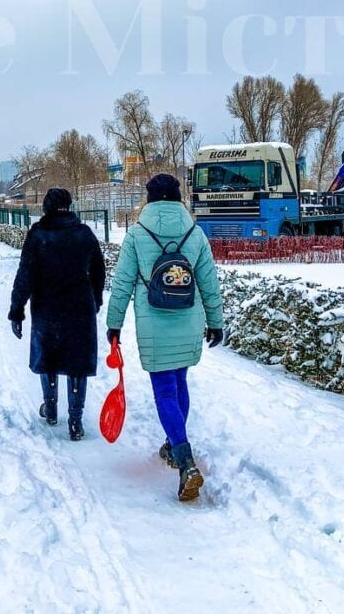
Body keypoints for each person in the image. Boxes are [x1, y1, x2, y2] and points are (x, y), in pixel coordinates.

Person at [106, 173, 224, 502]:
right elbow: (209, 283)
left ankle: (185, 460)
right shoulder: (195, 233)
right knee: (179, 381)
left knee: (164, 391)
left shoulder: (137, 234)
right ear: (177, 197)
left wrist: (113, 324)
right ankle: (174, 446)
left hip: (154, 323)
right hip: (188, 320)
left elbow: (122, 284)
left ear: (150, 198)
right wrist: (216, 321)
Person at [8, 188, 106, 441]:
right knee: (77, 363)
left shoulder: (38, 235)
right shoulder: (84, 234)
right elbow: (98, 270)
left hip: (46, 306)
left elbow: (25, 274)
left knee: (48, 357)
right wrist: (95, 299)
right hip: (79, 308)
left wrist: (16, 310)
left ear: (46, 207)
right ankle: (76, 420)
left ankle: (50, 408)